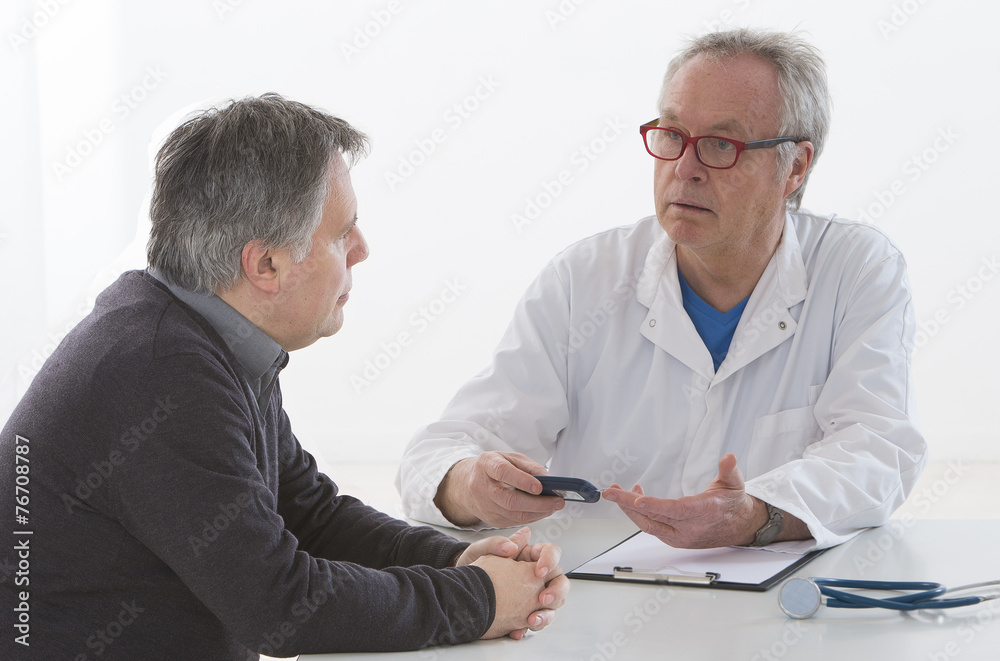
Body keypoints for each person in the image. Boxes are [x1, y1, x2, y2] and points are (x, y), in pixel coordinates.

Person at [0, 94, 568, 660]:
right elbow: (280, 605)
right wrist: (480, 599)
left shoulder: (202, 334)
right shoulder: (160, 371)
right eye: (342, 233)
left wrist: (451, 560)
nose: (362, 250)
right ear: (265, 265)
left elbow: (310, 517)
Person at [397, 28, 927, 551]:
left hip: (774, 597)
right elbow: (439, 454)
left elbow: (879, 451)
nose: (685, 168)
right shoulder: (584, 278)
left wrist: (757, 515)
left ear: (795, 167)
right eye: (672, 135)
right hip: (594, 595)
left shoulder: (857, 269)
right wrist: (469, 485)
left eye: (721, 144)